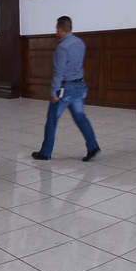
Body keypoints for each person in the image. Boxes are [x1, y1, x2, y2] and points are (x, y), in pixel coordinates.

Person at [32, 16, 100, 162]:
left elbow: (59, 72)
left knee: (52, 119)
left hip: (65, 89)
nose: (56, 32)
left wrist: (54, 92)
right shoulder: (80, 43)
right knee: (81, 118)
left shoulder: (62, 47)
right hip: (79, 87)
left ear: (60, 29)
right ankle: (93, 146)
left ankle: (45, 152)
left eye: (57, 29)